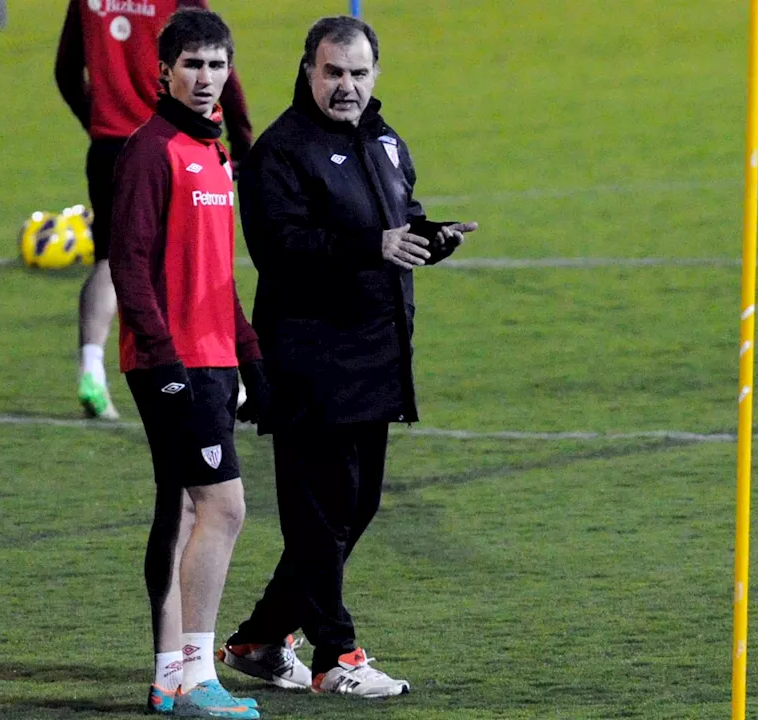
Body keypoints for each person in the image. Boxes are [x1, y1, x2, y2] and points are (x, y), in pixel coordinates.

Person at [216, 16, 478, 698]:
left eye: (359, 74)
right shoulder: (280, 151)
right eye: (333, 72)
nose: (346, 86)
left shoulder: (385, 141)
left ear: (375, 76)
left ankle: (261, 639)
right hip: (308, 363)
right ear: (308, 70)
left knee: (352, 511)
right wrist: (375, 246)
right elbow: (279, 250)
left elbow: (398, 217)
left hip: (376, 358)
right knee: (318, 517)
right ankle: (336, 657)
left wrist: (430, 235)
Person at [109, 8, 269, 718]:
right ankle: (198, 675)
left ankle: (168, 672)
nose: (206, 79)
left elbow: (217, 274)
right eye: (194, 65)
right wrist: (165, 361)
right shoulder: (153, 150)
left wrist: (252, 357)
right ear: (163, 72)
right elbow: (131, 265)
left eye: (217, 65)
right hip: (176, 363)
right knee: (225, 508)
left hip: (212, 358)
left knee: (180, 510)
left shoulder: (214, 153)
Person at [55, 0, 253, 419]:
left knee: (111, 259)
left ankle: (92, 368)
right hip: (172, 142)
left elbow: (66, 69)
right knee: (190, 257)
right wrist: (241, 139)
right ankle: (207, 372)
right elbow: (220, 65)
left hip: (109, 146)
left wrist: (96, 120)